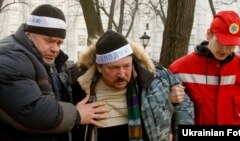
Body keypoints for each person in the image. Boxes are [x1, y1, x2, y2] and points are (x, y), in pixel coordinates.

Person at [0, 4, 111, 141]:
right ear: (29, 34)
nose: (55, 49)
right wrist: (77, 115)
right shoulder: (11, 56)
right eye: (49, 41)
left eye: (59, 43)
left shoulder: (50, 61)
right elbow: (32, 110)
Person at [70, 30, 194, 141]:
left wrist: (167, 100)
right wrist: (74, 115)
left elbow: (184, 104)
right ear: (99, 67)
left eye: (126, 66)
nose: (122, 74)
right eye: (113, 68)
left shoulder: (156, 80)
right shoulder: (76, 86)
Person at [169, 10, 240, 125]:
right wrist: (168, 99)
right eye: (220, 42)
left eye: (231, 45)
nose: (224, 50)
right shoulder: (180, 69)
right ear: (209, 35)